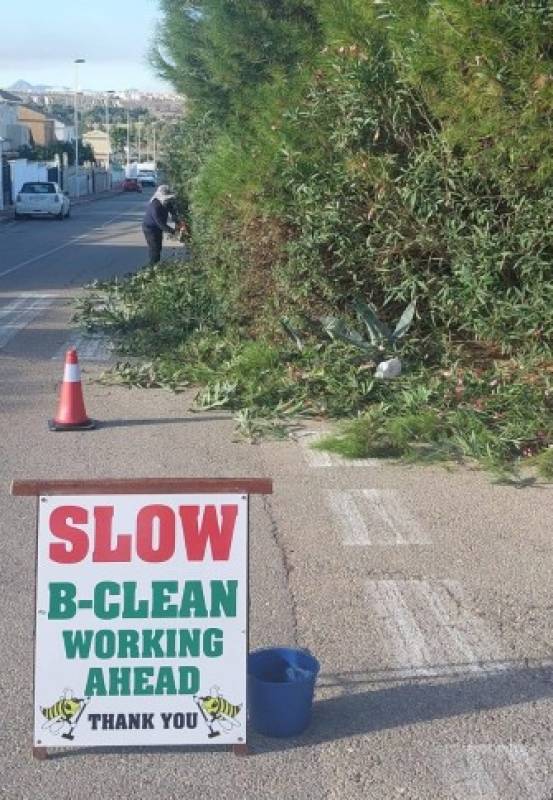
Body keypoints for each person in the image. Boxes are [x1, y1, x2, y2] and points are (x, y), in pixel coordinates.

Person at [142, 185, 180, 265]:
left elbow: (172, 212)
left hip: (157, 228)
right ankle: (153, 267)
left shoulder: (165, 202)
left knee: (158, 247)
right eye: (166, 197)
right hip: (150, 229)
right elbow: (160, 224)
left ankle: (156, 265)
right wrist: (174, 232)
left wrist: (178, 222)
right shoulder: (155, 206)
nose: (168, 199)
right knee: (154, 249)